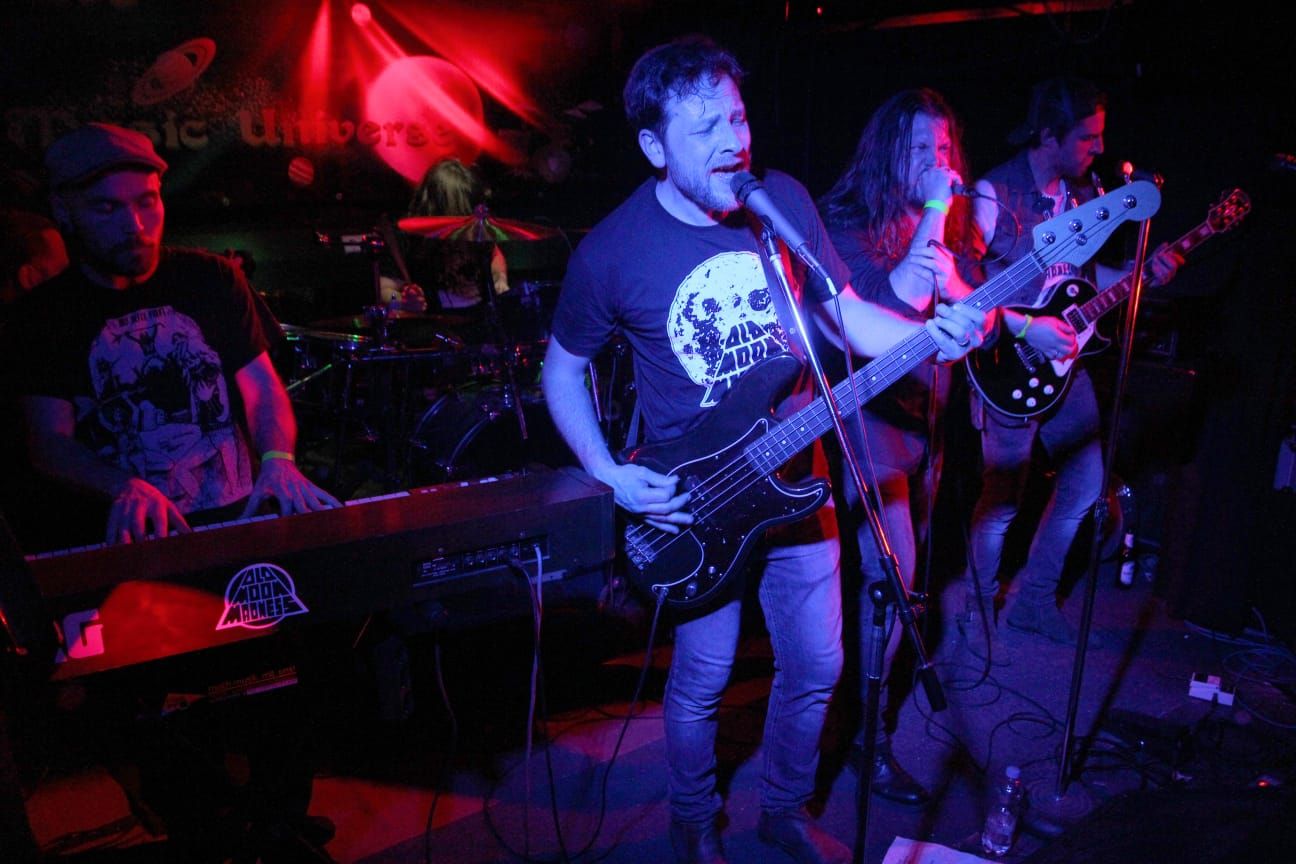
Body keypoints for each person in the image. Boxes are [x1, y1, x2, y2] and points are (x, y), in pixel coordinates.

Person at [542, 37, 986, 864]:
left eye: (738, 118)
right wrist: (608, 474)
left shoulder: (780, 202)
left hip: (797, 472)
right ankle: (692, 821)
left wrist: (933, 336)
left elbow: (845, 314)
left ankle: (784, 809)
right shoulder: (612, 250)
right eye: (705, 128)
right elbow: (560, 370)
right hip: (697, 498)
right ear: (654, 147)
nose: (732, 142)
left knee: (819, 662)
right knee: (703, 679)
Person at [8, 123, 340, 545]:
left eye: (146, 202)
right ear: (64, 210)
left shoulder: (212, 277)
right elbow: (49, 441)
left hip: (238, 523)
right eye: (106, 208)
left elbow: (261, 387)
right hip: (128, 545)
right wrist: (122, 485)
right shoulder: (43, 314)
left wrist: (278, 459)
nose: (134, 225)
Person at [963, 78, 1182, 644]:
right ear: (1048, 135)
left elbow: (1080, 283)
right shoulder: (994, 194)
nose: (1100, 149)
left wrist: (1140, 275)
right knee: (1002, 502)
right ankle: (976, 613)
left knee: (1086, 483)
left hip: (1069, 365)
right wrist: (1025, 326)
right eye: (1088, 137)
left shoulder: (1085, 198)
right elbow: (961, 290)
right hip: (1008, 364)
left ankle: (1034, 602)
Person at [818, 88, 981, 806]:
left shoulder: (942, 227)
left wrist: (1011, 318)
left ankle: (856, 719)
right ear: (887, 152)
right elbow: (894, 308)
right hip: (866, 430)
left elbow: (971, 308)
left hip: (924, 429)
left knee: (903, 591)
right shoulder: (843, 225)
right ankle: (866, 740)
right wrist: (940, 210)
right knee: (889, 583)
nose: (937, 162)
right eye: (920, 149)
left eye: (943, 148)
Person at [398, 157, 508, 310]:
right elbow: (386, 287)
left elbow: (495, 254)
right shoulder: (409, 239)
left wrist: (500, 278)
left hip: (479, 315)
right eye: (459, 209)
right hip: (435, 319)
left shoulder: (473, 228)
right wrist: (403, 301)